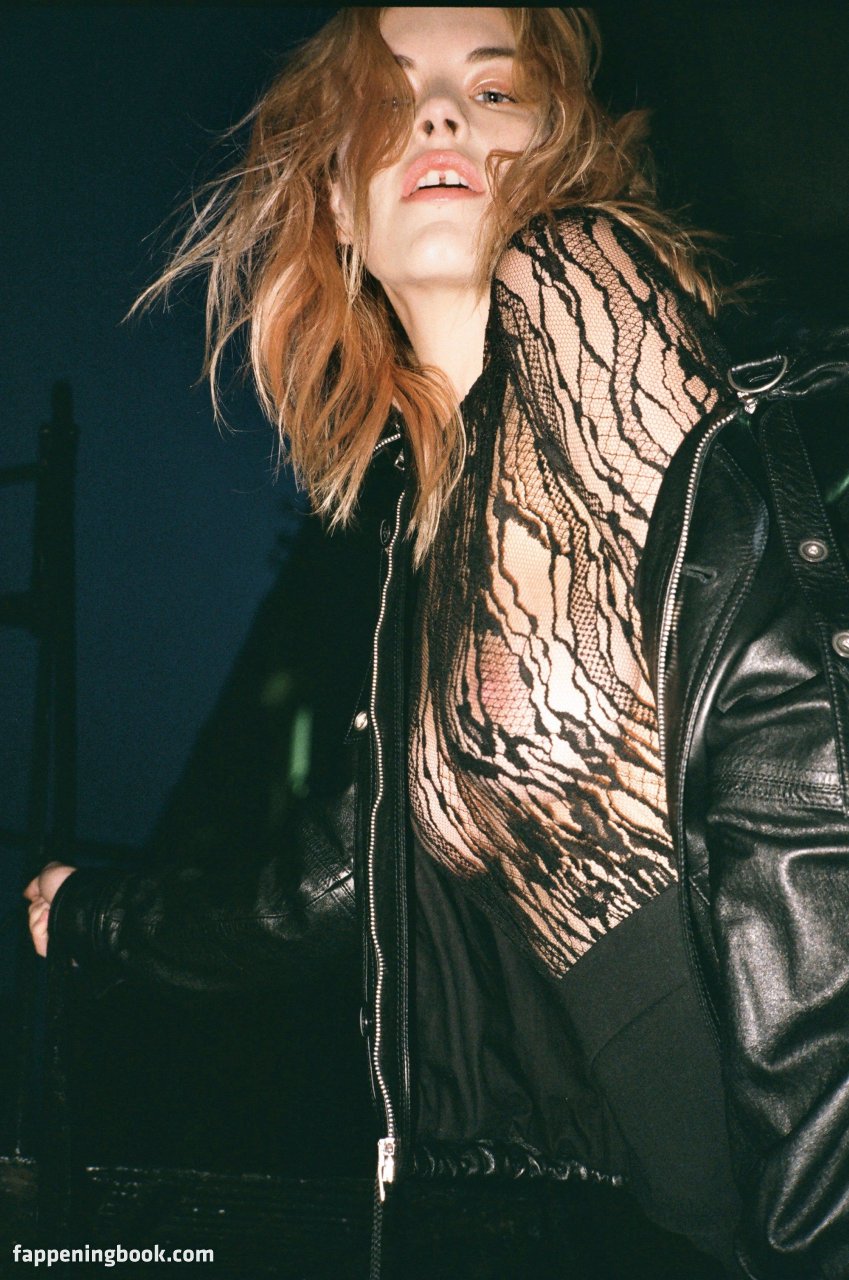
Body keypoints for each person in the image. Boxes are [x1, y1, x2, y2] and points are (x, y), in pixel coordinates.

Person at [24, 8, 849, 1278]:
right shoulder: (427, 534)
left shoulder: (577, 279)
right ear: (339, 207)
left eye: (493, 90)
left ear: (558, 151)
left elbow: (788, 729)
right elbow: (340, 873)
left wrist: (816, 1207)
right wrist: (101, 915)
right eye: (390, 97)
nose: (443, 114)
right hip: (672, 1222)